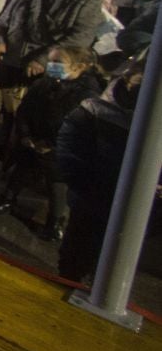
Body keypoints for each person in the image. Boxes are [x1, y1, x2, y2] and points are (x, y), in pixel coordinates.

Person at [0, 45, 103, 239]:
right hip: (32, 140)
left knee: (56, 182)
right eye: (50, 61)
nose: (51, 66)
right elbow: (25, 109)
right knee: (21, 169)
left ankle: (55, 221)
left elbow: (78, 128)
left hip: (58, 147)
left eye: (57, 62)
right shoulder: (43, 84)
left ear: (78, 67)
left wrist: (51, 145)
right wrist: (26, 135)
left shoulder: (87, 94)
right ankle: (6, 200)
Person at [57, 63, 141, 283]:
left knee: (113, 266)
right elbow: (70, 148)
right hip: (91, 196)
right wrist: (84, 185)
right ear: (127, 80)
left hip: (135, 207)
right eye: (140, 82)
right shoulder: (93, 110)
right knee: (74, 258)